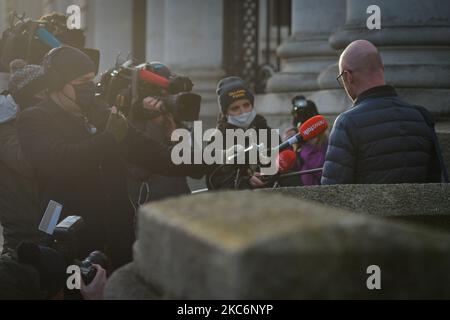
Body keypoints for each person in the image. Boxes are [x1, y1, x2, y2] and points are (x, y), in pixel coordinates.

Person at [17, 46, 204, 269]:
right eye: (82, 82)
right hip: (67, 234)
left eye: (91, 80)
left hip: (116, 236)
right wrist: (109, 137)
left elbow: (151, 153)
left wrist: (209, 160)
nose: (89, 87)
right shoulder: (34, 119)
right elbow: (61, 162)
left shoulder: (100, 114)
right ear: (58, 83)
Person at [321, 40, 445, 185]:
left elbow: (331, 192)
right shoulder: (421, 117)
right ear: (382, 69)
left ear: (348, 77)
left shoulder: (347, 123)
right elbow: (434, 183)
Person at [0, 60, 48, 256]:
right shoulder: (5, 127)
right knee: (20, 279)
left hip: (48, 219)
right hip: (22, 230)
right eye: (44, 93)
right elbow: (28, 164)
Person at [206, 76, 278, 190]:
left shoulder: (268, 132)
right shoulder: (217, 140)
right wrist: (244, 180)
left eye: (246, 105)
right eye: (235, 108)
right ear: (226, 113)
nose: (243, 112)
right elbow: (215, 181)